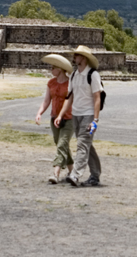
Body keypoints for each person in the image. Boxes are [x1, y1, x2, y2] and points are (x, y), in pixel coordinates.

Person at [57, 45, 103, 187]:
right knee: (87, 145)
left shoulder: (93, 75)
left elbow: (97, 98)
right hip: (76, 115)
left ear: (83, 58)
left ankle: (75, 175)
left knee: (82, 145)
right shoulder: (74, 75)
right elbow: (69, 97)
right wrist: (61, 114)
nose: (74, 57)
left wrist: (95, 120)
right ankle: (95, 175)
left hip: (88, 115)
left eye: (77, 55)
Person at [34, 54, 74, 184]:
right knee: (61, 144)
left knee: (62, 144)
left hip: (69, 118)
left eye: (53, 68)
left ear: (60, 69)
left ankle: (55, 173)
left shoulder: (70, 83)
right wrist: (39, 113)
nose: (51, 70)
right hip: (54, 118)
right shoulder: (51, 83)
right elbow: (46, 101)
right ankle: (72, 171)